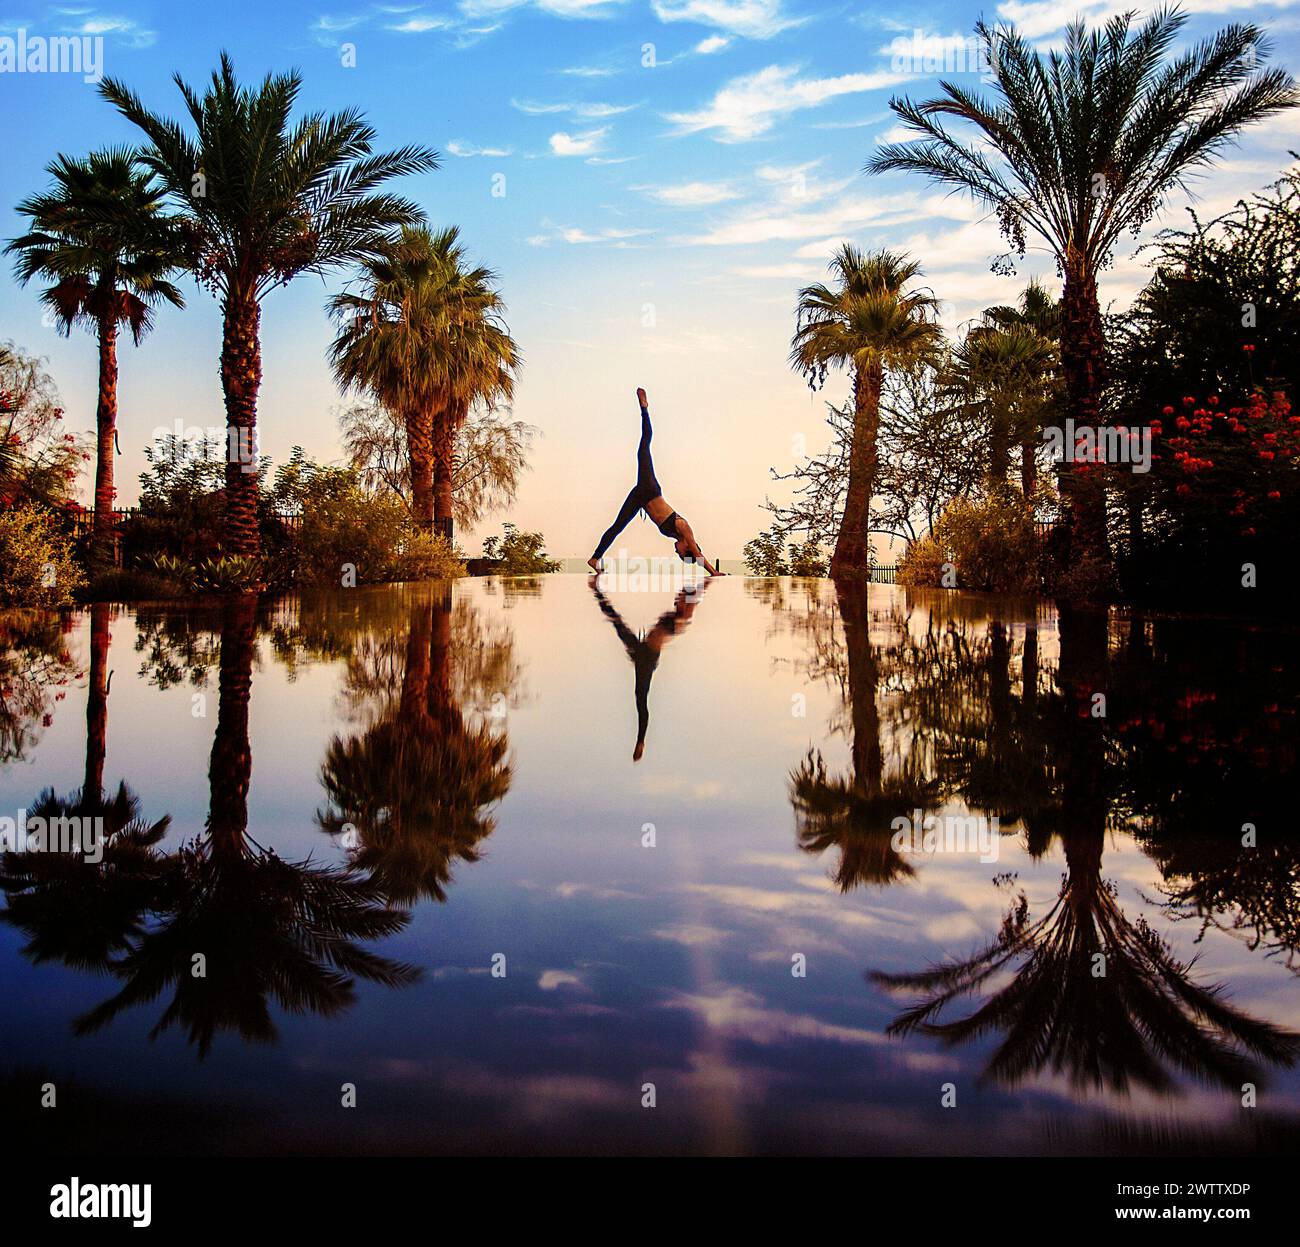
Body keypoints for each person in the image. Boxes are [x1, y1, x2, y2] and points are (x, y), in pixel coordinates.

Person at [588, 387, 723, 575]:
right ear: (688, 548)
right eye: (681, 554)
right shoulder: (685, 530)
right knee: (644, 446)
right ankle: (644, 408)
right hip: (649, 490)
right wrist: (713, 572)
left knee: (618, 526)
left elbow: (695, 554)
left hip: (641, 498)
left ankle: (595, 558)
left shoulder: (676, 535)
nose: (676, 552)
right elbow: (698, 555)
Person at [590, 577, 710, 760]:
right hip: (644, 652)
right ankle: (597, 591)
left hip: (645, 657)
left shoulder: (684, 615)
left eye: (680, 596)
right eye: (678, 596)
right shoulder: (682, 614)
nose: (677, 598)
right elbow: (698, 594)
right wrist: (706, 583)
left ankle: (641, 740)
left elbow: (696, 597)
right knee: (616, 621)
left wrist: (705, 584)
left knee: (640, 697)